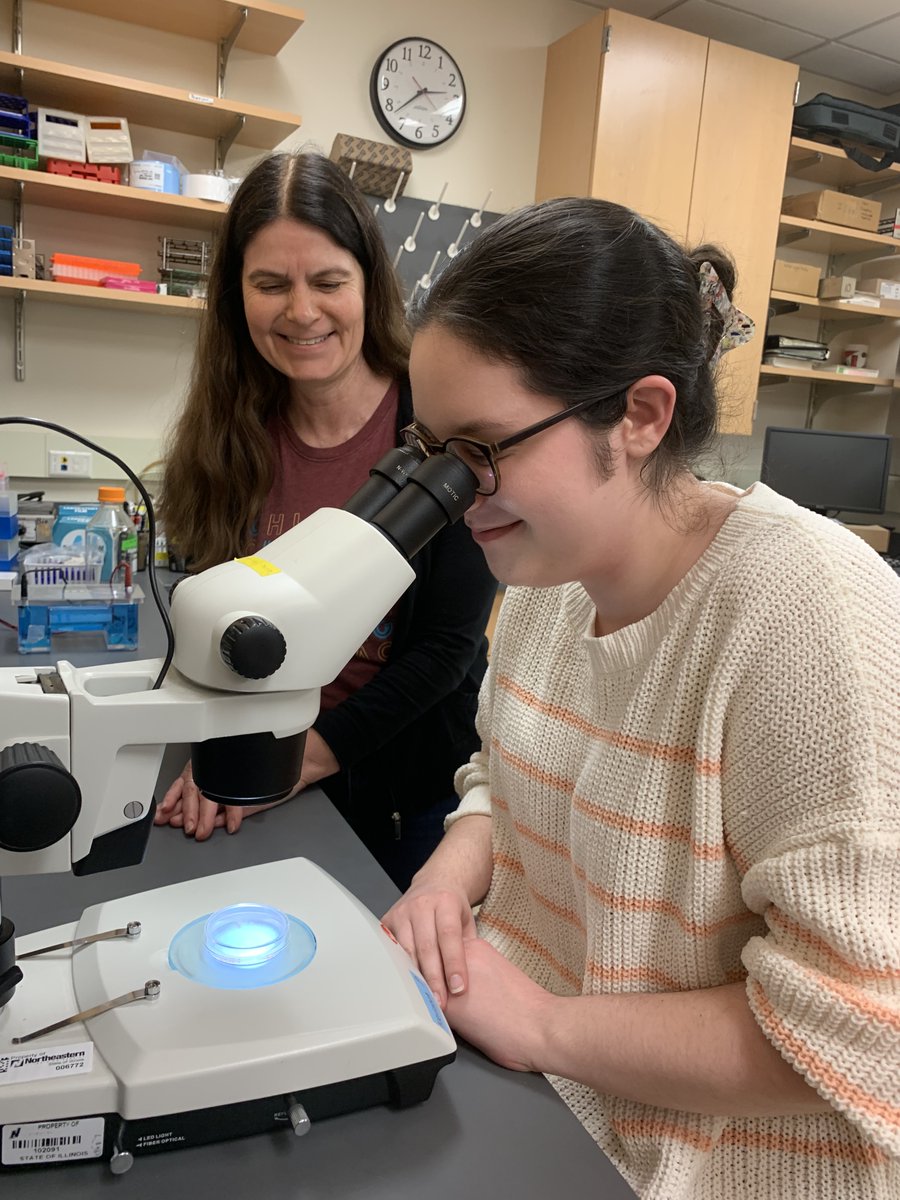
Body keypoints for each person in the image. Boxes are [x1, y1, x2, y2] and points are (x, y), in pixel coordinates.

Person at [382, 196, 900, 1198]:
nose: (451, 493)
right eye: (430, 447)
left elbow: (868, 1030)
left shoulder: (809, 619)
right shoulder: (542, 575)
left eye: (483, 451)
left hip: (702, 1157)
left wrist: (541, 1025)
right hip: (530, 1085)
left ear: (642, 415)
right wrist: (446, 881)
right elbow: (503, 769)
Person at [154, 151, 496, 891]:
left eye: (329, 282)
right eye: (270, 284)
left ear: (369, 283)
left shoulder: (436, 428)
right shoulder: (226, 439)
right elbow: (213, 623)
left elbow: (446, 650)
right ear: (235, 296)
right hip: (252, 765)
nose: (301, 311)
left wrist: (299, 757)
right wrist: (219, 752)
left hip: (398, 787)